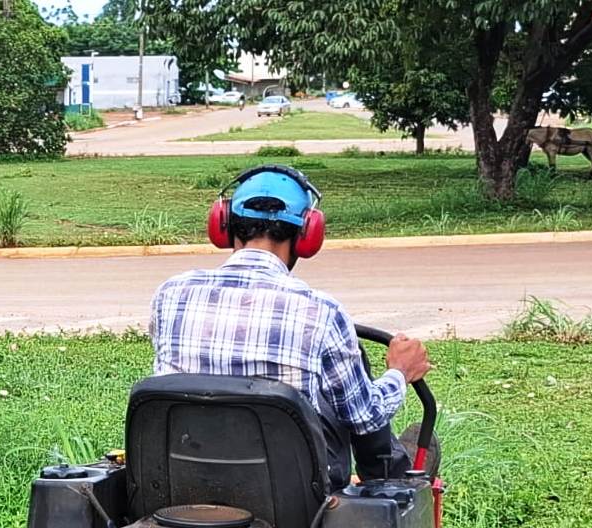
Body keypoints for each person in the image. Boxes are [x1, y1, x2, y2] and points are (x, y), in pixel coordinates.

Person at [150, 164, 432, 487]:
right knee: (347, 375)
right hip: (291, 503)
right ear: (307, 235)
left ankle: (394, 468)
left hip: (182, 484)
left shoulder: (170, 295)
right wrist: (400, 372)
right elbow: (364, 416)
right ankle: (393, 475)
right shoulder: (321, 312)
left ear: (223, 226)